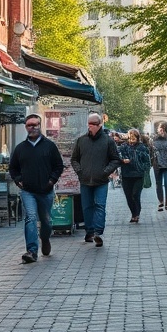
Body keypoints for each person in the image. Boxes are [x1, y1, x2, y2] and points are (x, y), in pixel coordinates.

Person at [9, 113, 64, 264]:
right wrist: (18, 181)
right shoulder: (20, 148)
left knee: (46, 221)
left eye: (35, 125)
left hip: (46, 191)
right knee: (31, 217)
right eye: (29, 125)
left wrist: (51, 181)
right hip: (28, 191)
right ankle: (32, 251)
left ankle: (45, 239)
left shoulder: (49, 146)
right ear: (25, 127)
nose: (32, 127)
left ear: (40, 126)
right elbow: (13, 168)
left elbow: (58, 166)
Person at [71, 112, 121, 247]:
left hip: (101, 180)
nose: (90, 126)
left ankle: (98, 232)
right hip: (85, 179)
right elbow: (74, 159)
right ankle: (90, 231)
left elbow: (115, 159)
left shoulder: (108, 141)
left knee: (100, 205)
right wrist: (80, 171)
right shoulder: (81, 140)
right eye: (89, 124)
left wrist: (106, 172)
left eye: (93, 124)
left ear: (100, 125)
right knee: (87, 207)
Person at [117, 129, 150, 223]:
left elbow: (147, 161)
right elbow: (117, 156)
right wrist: (122, 160)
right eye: (130, 138)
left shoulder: (142, 147)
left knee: (135, 195)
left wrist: (142, 168)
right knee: (128, 196)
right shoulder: (123, 147)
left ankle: (137, 214)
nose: (132, 140)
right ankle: (134, 214)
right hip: (126, 174)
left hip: (138, 175)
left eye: (134, 138)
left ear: (138, 138)